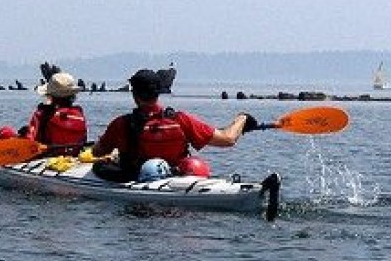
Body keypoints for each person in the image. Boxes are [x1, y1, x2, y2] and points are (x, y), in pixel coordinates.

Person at [92, 68, 258, 181]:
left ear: (134, 94)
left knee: (100, 166)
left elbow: (98, 151)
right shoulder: (180, 120)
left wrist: (107, 149)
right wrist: (242, 119)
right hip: (177, 178)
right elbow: (228, 139)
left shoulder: (121, 124)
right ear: (158, 93)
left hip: (136, 180)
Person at [23, 71, 88, 153]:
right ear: (72, 95)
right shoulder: (78, 112)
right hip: (75, 153)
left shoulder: (42, 114)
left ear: (50, 95)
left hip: (48, 155)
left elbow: (31, 142)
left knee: (6, 131)